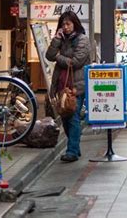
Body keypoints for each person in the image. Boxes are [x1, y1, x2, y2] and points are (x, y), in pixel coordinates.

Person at [46, 11, 91, 162]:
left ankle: (71, 150)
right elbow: (48, 55)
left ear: (75, 24)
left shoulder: (83, 40)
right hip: (61, 84)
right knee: (65, 116)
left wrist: (58, 57)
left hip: (76, 85)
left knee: (73, 116)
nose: (65, 27)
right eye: (63, 24)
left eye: (68, 24)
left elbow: (75, 62)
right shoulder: (62, 39)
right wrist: (57, 39)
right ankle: (74, 148)